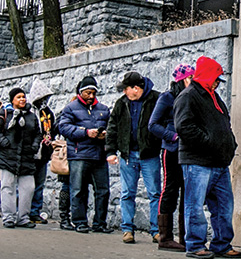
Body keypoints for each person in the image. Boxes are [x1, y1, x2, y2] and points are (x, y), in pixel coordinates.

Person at [175, 56, 241, 259]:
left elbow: (223, 123)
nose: (217, 82)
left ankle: (221, 243)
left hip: (219, 161)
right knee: (194, 204)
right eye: (215, 78)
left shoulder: (213, 96)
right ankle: (195, 245)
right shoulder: (188, 96)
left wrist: (229, 143)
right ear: (207, 76)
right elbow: (183, 126)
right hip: (198, 161)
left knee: (224, 205)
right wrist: (209, 141)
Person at [105, 72, 163, 244]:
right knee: (127, 193)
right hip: (128, 154)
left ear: (135, 88)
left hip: (149, 154)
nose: (124, 93)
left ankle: (156, 230)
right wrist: (110, 151)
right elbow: (112, 127)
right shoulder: (122, 103)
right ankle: (127, 229)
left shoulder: (156, 99)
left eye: (126, 89)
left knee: (154, 193)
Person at [57, 76, 112, 234]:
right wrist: (86, 132)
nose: (91, 96)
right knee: (78, 190)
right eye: (88, 93)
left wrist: (105, 135)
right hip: (79, 155)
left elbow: (111, 128)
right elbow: (64, 128)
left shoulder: (103, 109)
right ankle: (80, 222)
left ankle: (99, 223)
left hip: (99, 155)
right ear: (81, 92)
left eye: (94, 93)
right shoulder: (70, 108)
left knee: (103, 190)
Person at [148, 63, 194, 251]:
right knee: (170, 190)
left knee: (188, 193)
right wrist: (172, 136)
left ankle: (185, 237)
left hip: (189, 151)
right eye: (190, 79)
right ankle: (165, 237)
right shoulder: (167, 97)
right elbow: (153, 124)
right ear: (182, 79)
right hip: (172, 150)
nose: (193, 82)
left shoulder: (192, 96)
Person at [2, 87, 40, 228]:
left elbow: (37, 133)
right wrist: (4, 142)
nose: (22, 99)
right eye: (18, 97)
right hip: (8, 157)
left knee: (28, 188)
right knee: (7, 187)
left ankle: (23, 217)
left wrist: (35, 145)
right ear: (12, 100)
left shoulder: (31, 117)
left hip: (26, 158)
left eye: (23, 97)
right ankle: (8, 217)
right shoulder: (4, 115)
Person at [26, 79, 55, 225]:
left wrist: (50, 140)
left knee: (39, 184)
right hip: (29, 154)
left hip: (42, 155)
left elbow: (52, 128)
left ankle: (35, 212)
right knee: (26, 185)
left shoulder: (47, 113)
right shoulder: (28, 112)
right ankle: (23, 211)